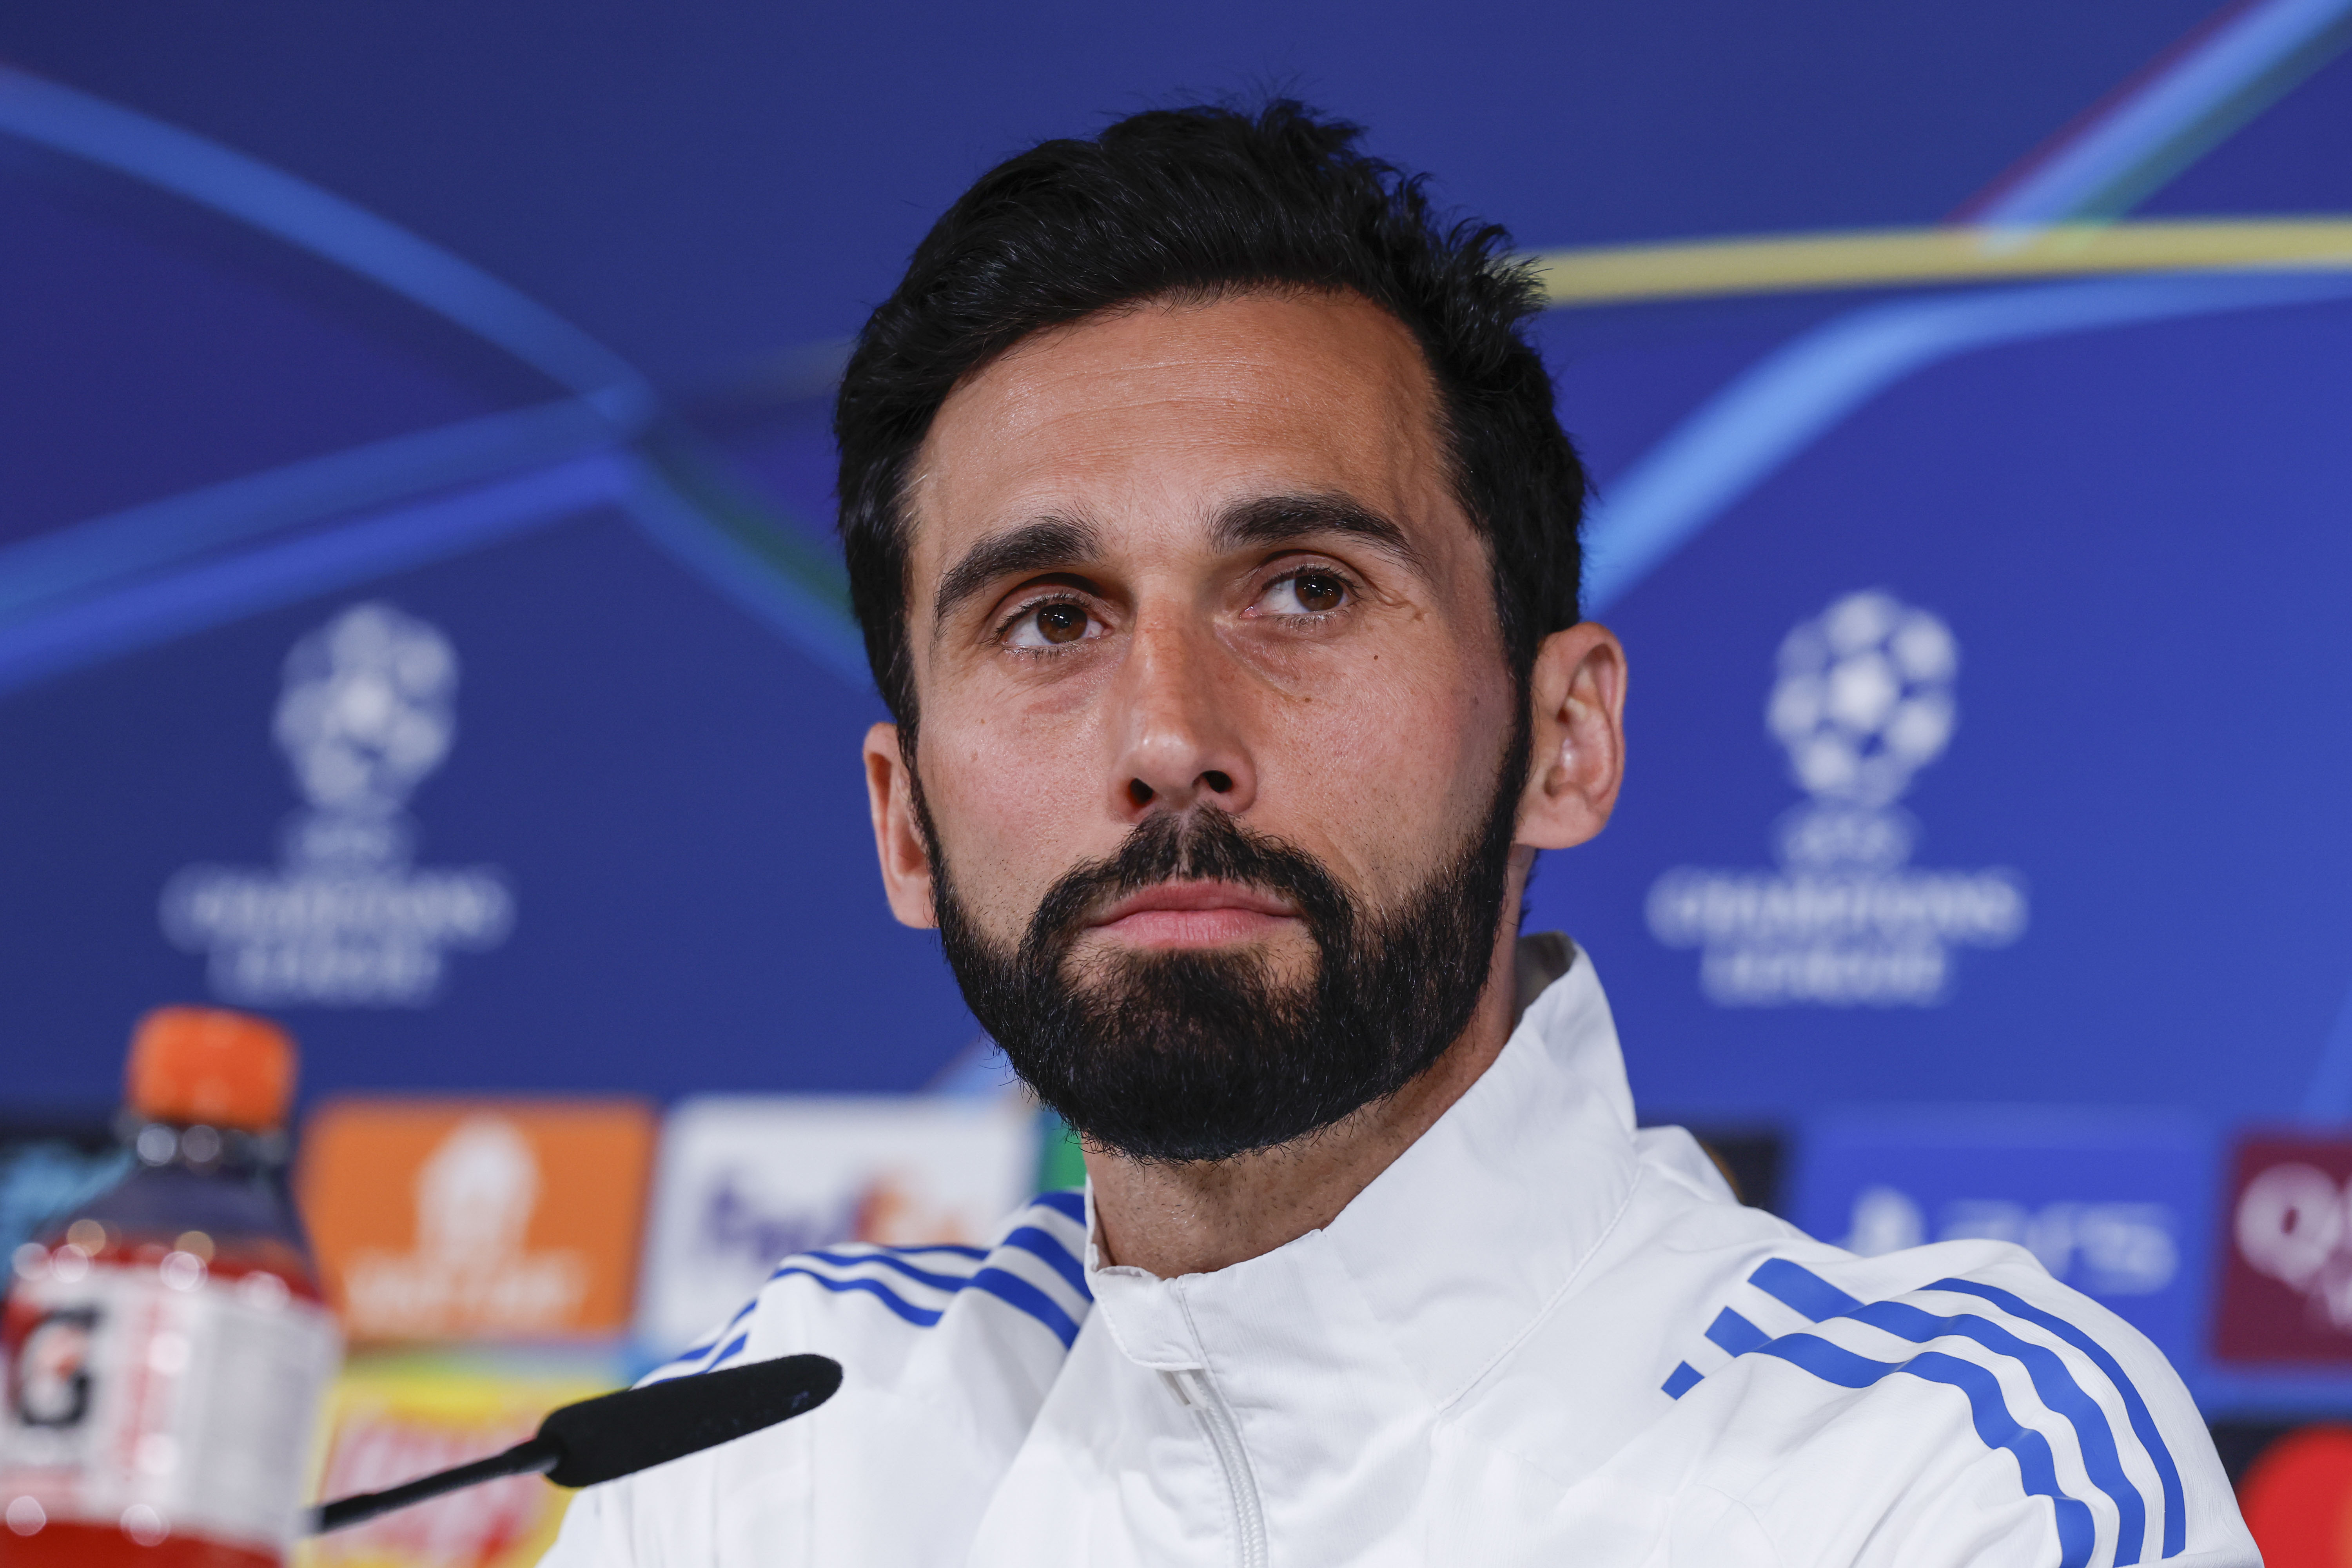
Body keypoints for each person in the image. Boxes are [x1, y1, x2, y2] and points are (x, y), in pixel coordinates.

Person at [543, 102, 2251, 1567]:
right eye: (1052, 619)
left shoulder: (1933, 1475)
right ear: (904, 822)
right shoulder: (759, 1471)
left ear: (1563, 740)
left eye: (1303, 590)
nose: (1168, 737)